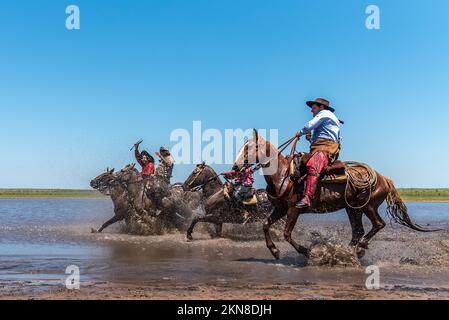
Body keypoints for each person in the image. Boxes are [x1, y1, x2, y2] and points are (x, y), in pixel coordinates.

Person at [295, 98, 342, 209]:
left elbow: (309, 126)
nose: (312, 111)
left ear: (321, 107)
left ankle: (308, 197)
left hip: (326, 149)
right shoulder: (327, 118)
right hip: (321, 147)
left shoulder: (325, 113)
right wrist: (310, 138)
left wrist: (300, 133)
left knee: (313, 165)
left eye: (314, 108)